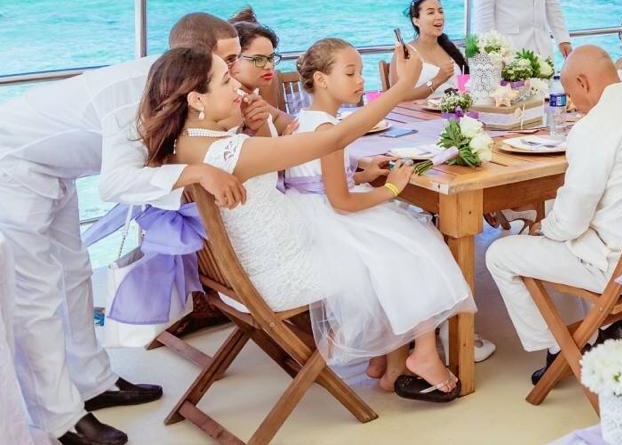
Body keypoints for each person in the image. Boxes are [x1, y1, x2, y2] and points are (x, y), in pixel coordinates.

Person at [136, 42, 470, 403]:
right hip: (279, 275)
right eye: (224, 82)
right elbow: (333, 138)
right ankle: (416, 355)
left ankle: (392, 363)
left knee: (385, 239)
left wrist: (257, 126)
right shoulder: (226, 153)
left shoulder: (186, 145)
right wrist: (401, 88)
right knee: (403, 249)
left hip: (247, 267)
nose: (238, 88)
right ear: (197, 101)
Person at [0, 13, 248, 445]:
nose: (237, 71)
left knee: (75, 273)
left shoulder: (174, 86)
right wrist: (195, 172)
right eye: (229, 61)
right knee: (36, 295)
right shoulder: (132, 95)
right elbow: (114, 183)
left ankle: (94, 383)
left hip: (57, 167)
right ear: (195, 57)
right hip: (14, 163)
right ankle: (60, 421)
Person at [284, 38, 475, 399]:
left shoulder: (306, 120)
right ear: (322, 80)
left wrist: (362, 173)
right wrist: (392, 189)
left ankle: (389, 363)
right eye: (350, 72)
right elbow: (340, 201)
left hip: (312, 211)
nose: (360, 81)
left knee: (406, 239)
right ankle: (423, 354)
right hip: (330, 219)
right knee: (416, 246)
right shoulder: (329, 131)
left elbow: (314, 178)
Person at [485, 46, 622, 383]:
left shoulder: (595, 126)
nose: (573, 104)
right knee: (578, 227)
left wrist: (542, 228)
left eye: (572, 94)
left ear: (582, 82)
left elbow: (571, 221)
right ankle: (608, 325)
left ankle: (558, 348)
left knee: (500, 254)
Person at [390, 0, 469, 101]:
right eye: (431, 13)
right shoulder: (405, 53)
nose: (439, 16)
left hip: (455, 112)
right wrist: (437, 80)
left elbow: (465, 86)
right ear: (416, 20)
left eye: (441, 11)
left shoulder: (451, 49)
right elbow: (394, 98)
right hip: (416, 115)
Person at [228, 6, 292, 136]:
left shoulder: (251, 94)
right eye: (259, 59)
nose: (269, 66)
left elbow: (282, 119)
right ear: (233, 59)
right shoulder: (235, 102)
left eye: (271, 58)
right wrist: (286, 138)